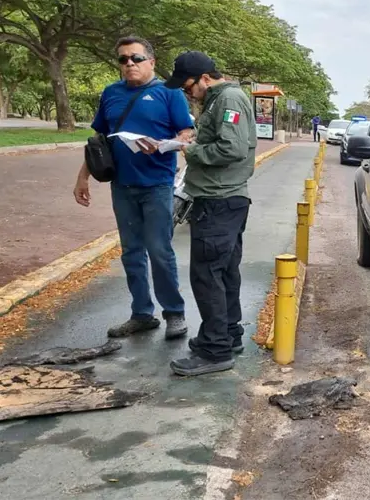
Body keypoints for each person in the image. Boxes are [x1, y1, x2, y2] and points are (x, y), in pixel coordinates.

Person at [74, 36, 194, 340]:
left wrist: (168, 143)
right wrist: (83, 177)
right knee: (131, 252)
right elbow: (98, 140)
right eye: (123, 59)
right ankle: (141, 314)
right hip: (122, 185)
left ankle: (174, 313)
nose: (129, 64)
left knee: (160, 250)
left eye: (136, 58)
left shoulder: (169, 93)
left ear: (151, 61)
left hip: (157, 185)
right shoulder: (111, 93)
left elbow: (186, 131)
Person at [163, 51, 256, 376]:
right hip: (223, 199)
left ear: (205, 78)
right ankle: (227, 335)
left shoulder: (228, 99)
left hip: (219, 200)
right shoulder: (219, 99)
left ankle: (215, 350)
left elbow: (232, 148)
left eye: (188, 86)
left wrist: (192, 150)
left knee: (207, 275)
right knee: (224, 272)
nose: (187, 92)